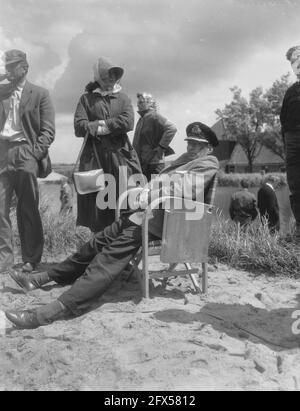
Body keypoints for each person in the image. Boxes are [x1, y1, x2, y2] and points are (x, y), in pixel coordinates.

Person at [5, 121, 219, 330]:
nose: (191, 147)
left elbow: (183, 189)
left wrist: (150, 194)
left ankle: (52, 311)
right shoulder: (185, 159)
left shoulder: (208, 163)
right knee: (96, 243)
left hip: (170, 225)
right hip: (148, 215)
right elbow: (161, 181)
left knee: (107, 259)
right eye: (189, 142)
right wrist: (146, 192)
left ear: (208, 148)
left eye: (196, 145)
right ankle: (43, 278)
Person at [0, 49, 55, 273]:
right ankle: (4, 260)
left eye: (13, 66)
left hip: (26, 151)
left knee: (28, 208)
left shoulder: (40, 93)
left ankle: (31, 259)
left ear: (25, 67)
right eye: (7, 66)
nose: (9, 69)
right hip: (2, 152)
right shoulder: (1, 92)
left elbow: (48, 130)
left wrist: (34, 154)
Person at [74, 56, 142, 233]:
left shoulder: (124, 99)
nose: (110, 81)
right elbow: (79, 126)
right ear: (98, 78)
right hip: (95, 159)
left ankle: (121, 245)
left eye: (113, 77)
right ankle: (97, 248)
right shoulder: (86, 99)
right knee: (97, 204)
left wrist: (103, 126)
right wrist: (101, 126)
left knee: (124, 198)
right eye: (105, 78)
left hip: (120, 157)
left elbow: (128, 122)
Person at [280, 46, 300, 242]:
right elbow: (283, 120)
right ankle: (299, 229)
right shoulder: (290, 91)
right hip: (292, 140)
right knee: (295, 185)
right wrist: (287, 143)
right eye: (293, 61)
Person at [133, 92, 176, 181]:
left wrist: (161, 148)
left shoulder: (153, 116)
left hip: (154, 163)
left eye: (141, 102)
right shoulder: (142, 119)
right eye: (138, 103)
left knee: (156, 191)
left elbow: (172, 128)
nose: (138, 105)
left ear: (150, 103)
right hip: (144, 163)